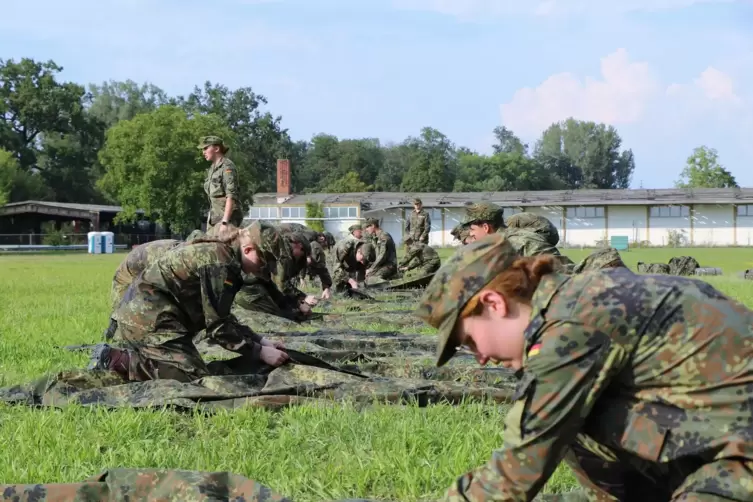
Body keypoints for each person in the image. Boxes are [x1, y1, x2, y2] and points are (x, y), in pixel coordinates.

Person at [415, 233, 753, 501]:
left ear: (494, 303)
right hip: (724, 439)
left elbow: (515, 474)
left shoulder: (572, 326)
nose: (481, 357)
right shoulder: (575, 299)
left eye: (471, 342)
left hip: (740, 456)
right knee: (581, 422)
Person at [88, 222, 289, 383]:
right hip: (148, 318)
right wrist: (260, 352)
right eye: (264, 261)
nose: (265, 269)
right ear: (247, 249)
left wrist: (261, 341)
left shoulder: (223, 254)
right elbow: (218, 328)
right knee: (193, 378)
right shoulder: (221, 263)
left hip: (151, 314)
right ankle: (119, 360)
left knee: (193, 369)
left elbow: (221, 315)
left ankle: (143, 353)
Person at [199, 136, 244, 234]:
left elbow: (231, 196)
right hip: (214, 219)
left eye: (206, 148)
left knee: (226, 248)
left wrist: (225, 222)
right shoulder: (212, 168)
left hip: (227, 219)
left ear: (216, 149)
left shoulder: (227, 167)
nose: (203, 152)